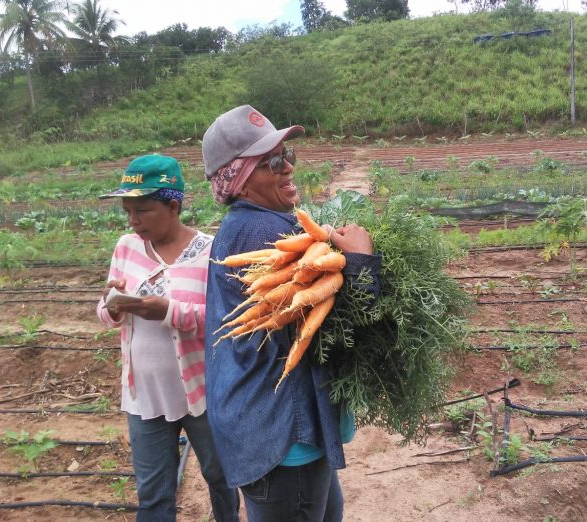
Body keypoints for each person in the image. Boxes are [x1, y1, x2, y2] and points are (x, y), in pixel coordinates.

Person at [202, 105, 382, 521]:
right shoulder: (265, 235)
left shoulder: (250, 224)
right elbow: (342, 331)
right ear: (240, 180)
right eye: (270, 162)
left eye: (288, 156)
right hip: (284, 435)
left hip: (276, 426)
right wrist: (360, 263)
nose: (286, 168)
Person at [96, 154, 239, 522]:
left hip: (204, 393)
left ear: (173, 206)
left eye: (142, 210)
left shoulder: (210, 251)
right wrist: (112, 305)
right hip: (145, 393)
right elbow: (105, 314)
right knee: (153, 495)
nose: (133, 220)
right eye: (128, 211)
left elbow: (226, 321)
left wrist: (168, 311)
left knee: (222, 480)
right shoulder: (126, 246)